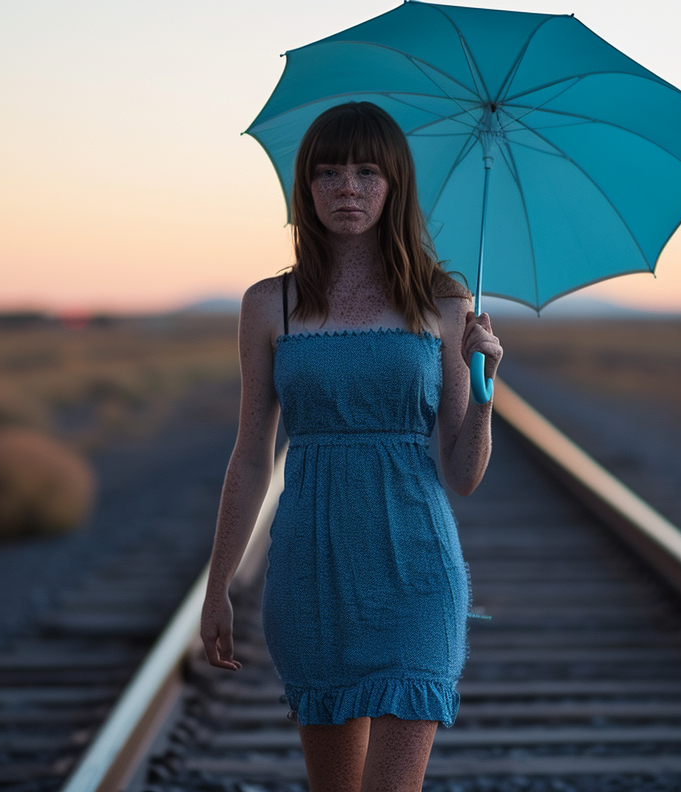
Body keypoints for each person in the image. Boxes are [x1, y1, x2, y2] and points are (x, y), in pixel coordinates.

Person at [200, 101, 502, 792]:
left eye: (368, 171)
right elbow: (250, 457)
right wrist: (218, 587)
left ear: (395, 185)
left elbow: (463, 474)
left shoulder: (444, 303)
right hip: (310, 573)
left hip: (417, 574)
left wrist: (486, 390)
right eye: (329, 171)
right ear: (304, 187)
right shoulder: (268, 305)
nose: (348, 188)